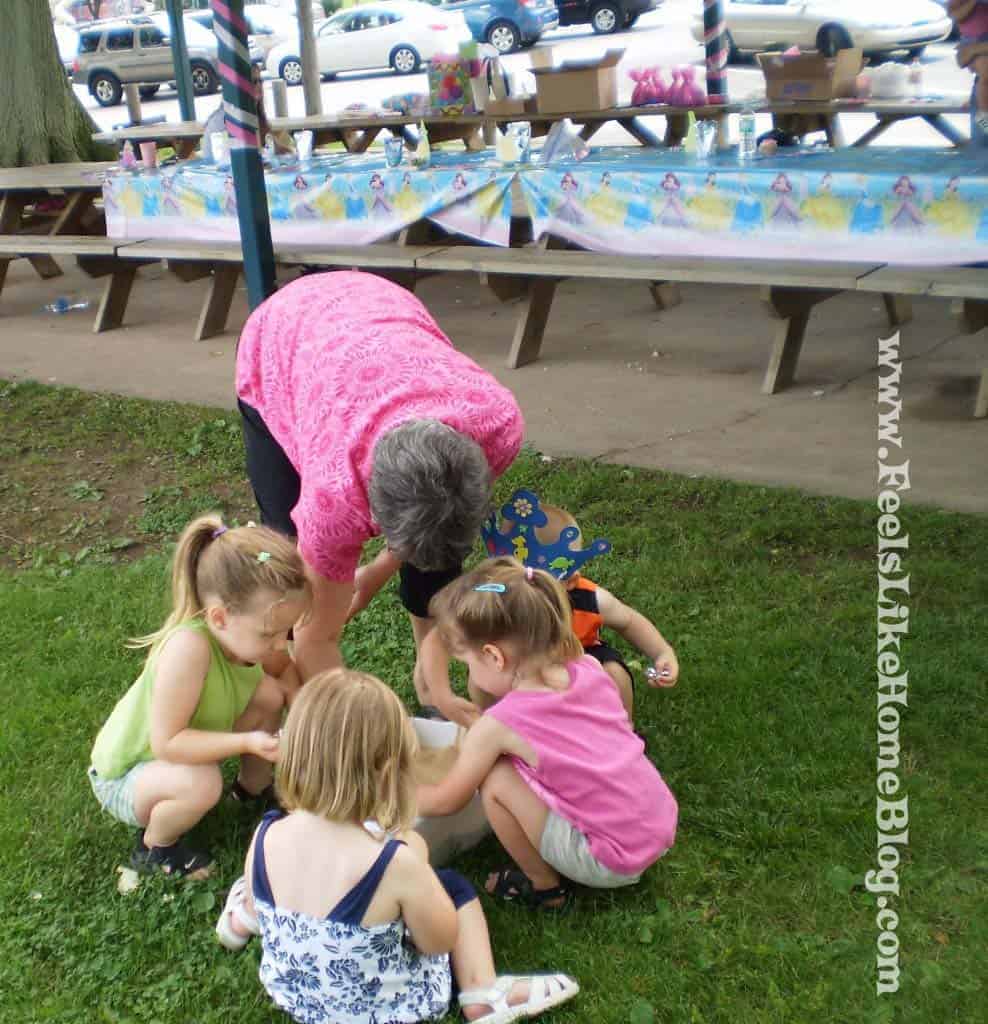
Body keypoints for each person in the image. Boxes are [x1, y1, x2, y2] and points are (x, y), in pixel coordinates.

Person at [235, 271, 524, 715]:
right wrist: (357, 735)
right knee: (288, 563)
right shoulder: (333, 498)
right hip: (283, 338)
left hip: (376, 309)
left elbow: (432, 528)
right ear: (369, 508)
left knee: (438, 550)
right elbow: (319, 637)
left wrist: (374, 571)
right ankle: (300, 708)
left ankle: (430, 685)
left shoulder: (497, 424)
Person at [218, 670, 579, 1024]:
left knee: (261, 894)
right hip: (388, 1010)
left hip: (299, 1000)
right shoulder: (394, 862)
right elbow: (438, 941)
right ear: (389, 772)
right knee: (452, 885)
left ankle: (240, 921)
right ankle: (481, 992)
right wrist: (417, 861)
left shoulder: (267, 835)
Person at [418, 559, 678, 911]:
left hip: (612, 858)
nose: (470, 673)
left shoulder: (502, 724)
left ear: (494, 657)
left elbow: (447, 801)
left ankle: (544, 888)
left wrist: (387, 793)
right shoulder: (588, 667)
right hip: (657, 823)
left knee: (494, 780)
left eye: (468, 664)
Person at [88, 516, 310, 878]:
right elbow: (169, 743)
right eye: (270, 634)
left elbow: (284, 674)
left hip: (176, 758)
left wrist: (306, 717)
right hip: (129, 774)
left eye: (285, 631)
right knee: (203, 782)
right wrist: (249, 741)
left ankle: (254, 788)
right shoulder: (188, 649)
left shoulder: (246, 633)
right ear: (220, 618)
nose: (278, 644)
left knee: (268, 693)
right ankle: (154, 848)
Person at [421, 490, 678, 723]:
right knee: (481, 682)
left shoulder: (589, 599)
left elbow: (629, 621)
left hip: (580, 659)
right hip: (517, 663)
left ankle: (620, 730)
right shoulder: (493, 601)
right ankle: (493, 724)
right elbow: (439, 637)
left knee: (614, 674)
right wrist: (443, 696)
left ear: (570, 582)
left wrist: (661, 652)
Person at [948, 0, 988, 139]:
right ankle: (984, 121)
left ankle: (983, 119)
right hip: (973, 39)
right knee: (985, 75)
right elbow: (955, 15)